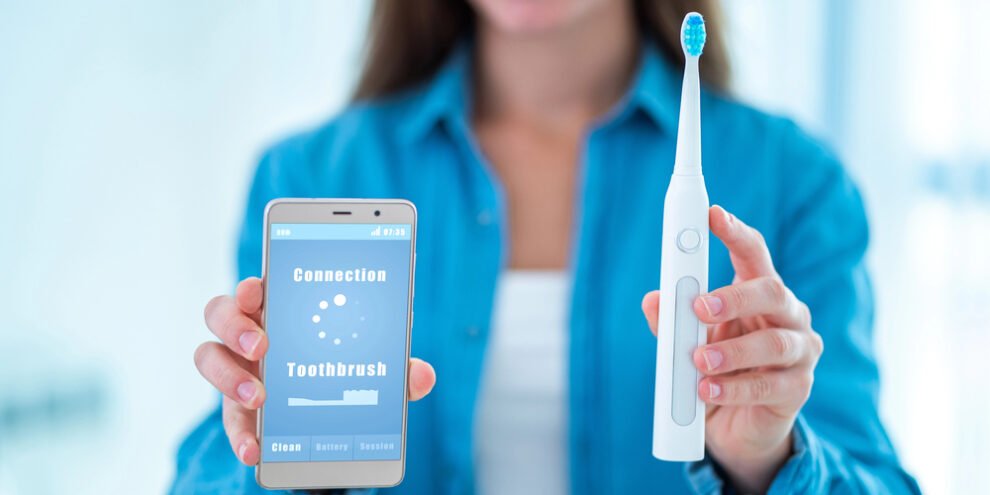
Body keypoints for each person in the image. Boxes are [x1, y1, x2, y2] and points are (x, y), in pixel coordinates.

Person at [171, 0, 921, 493]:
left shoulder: (792, 181)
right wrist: (285, 467)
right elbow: (206, 472)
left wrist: (764, 459)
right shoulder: (312, 176)